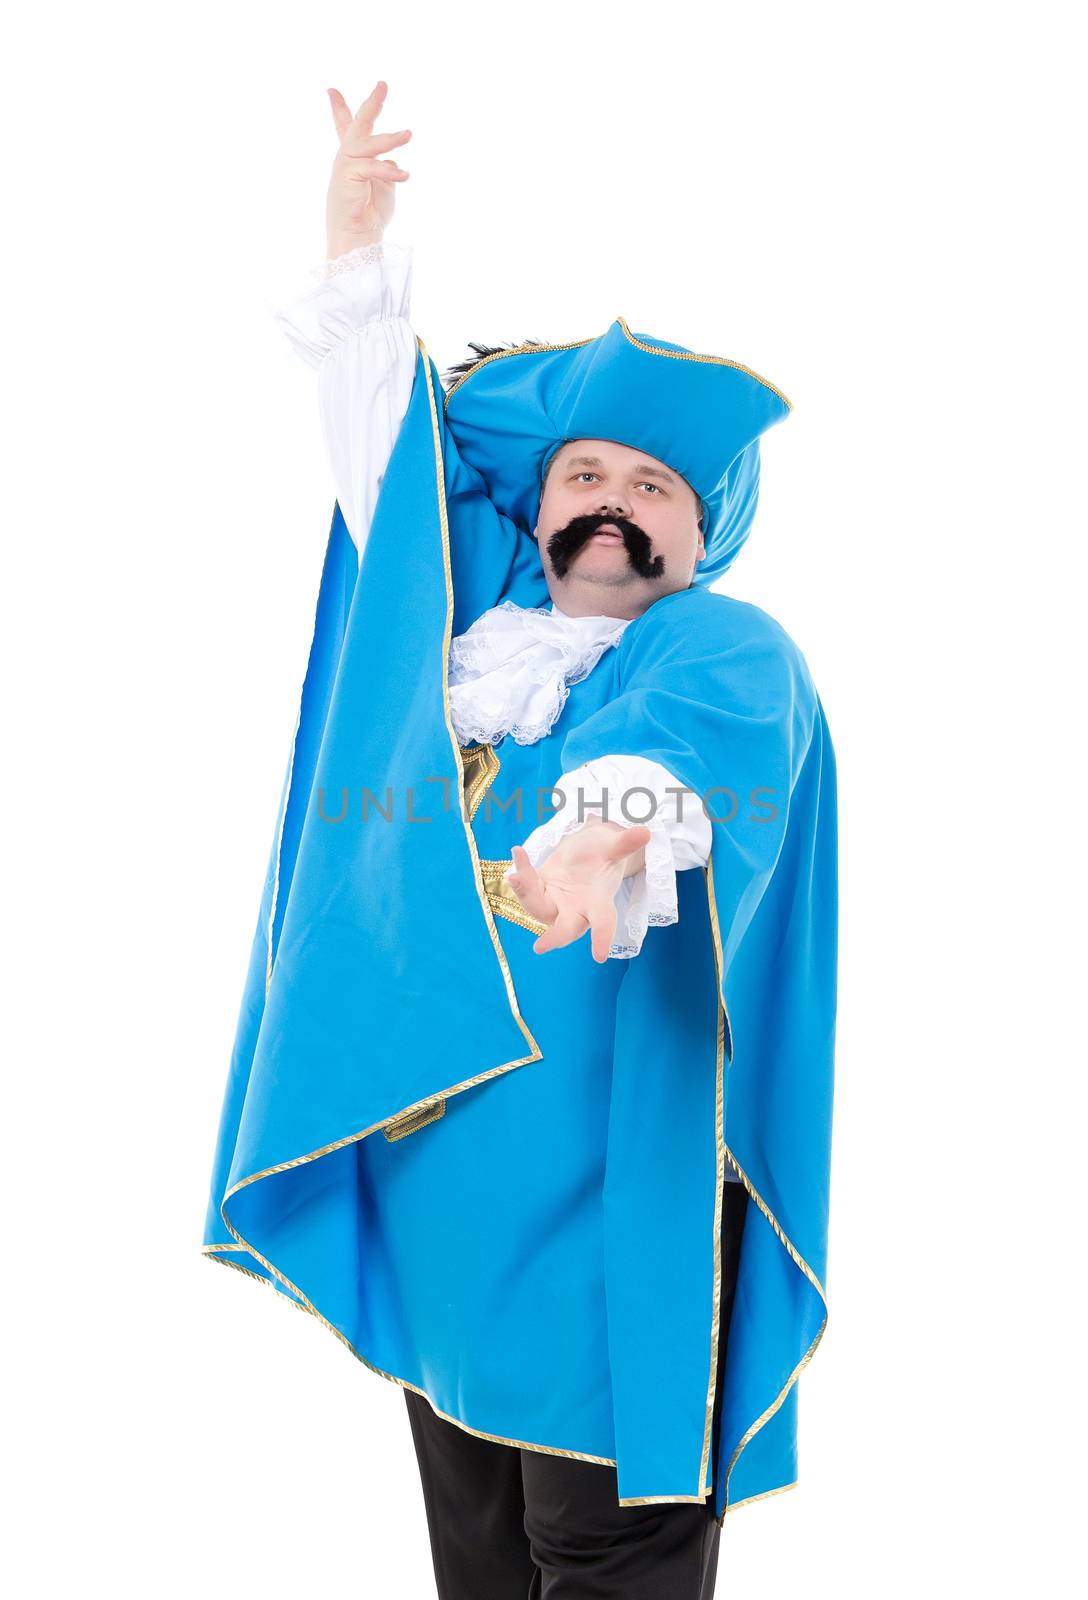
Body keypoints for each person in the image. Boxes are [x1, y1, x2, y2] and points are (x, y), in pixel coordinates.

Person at [201, 79, 838, 1600]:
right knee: (481, 1552)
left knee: (602, 1547)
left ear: (700, 536)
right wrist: (357, 267)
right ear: (541, 513)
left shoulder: (719, 646)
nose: (615, 504)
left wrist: (598, 841)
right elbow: (390, 480)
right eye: (586, 479)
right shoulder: (470, 653)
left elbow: (676, 764)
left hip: (623, 1183)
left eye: (655, 489)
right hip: (452, 1189)